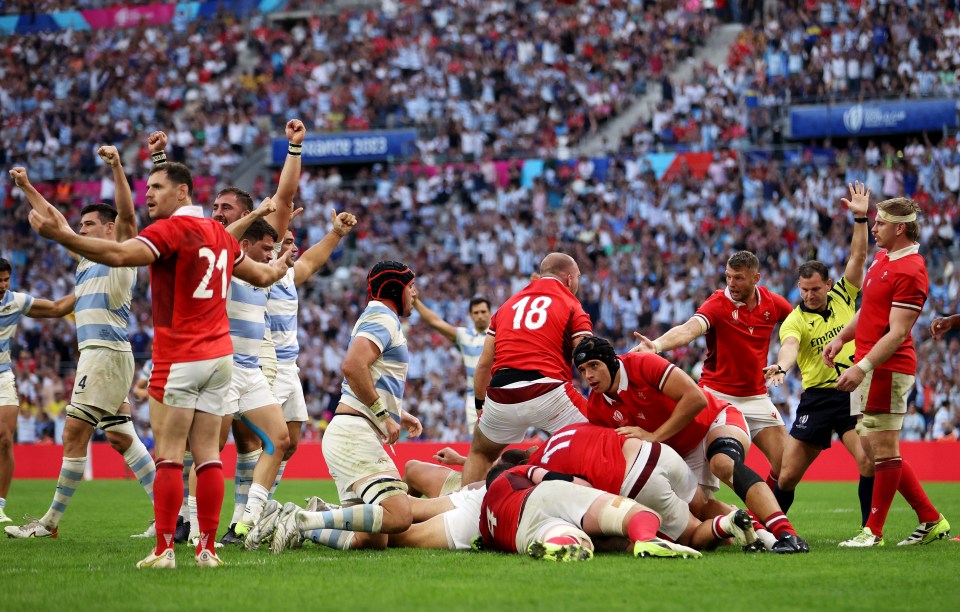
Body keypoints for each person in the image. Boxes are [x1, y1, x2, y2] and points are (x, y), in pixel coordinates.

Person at [27, 160, 293, 569]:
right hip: (220, 356)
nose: (148, 194)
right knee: (208, 457)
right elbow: (260, 276)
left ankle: (165, 549)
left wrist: (62, 236)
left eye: (156, 186)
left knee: (169, 456)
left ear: (182, 192)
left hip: (180, 355)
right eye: (147, 187)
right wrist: (281, 265)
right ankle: (207, 549)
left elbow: (117, 253)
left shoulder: (170, 230)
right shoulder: (219, 235)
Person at [6, 157, 156, 540]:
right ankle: (172, 516)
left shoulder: (123, 252)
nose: (80, 229)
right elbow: (55, 219)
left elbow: (127, 213)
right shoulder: (88, 259)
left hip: (104, 354)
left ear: (109, 229)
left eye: (89, 225)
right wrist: (26, 188)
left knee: (74, 434)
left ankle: (49, 524)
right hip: (103, 355)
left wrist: (118, 167)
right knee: (122, 436)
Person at [575, 336, 809, 553]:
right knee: (700, 508)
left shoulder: (643, 364)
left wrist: (654, 435)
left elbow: (695, 399)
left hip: (713, 420)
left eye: (594, 365)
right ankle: (757, 531)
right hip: (680, 451)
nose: (589, 375)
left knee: (723, 463)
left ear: (612, 362)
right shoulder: (596, 407)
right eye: (582, 370)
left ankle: (787, 534)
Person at [266, 261, 423, 554]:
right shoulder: (383, 316)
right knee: (400, 515)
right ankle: (304, 520)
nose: (414, 294)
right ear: (395, 287)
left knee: (370, 540)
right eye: (410, 287)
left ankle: (289, 520)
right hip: (355, 433)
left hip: (348, 431)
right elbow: (352, 366)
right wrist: (382, 415)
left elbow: (368, 376)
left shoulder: (380, 317)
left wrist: (397, 413)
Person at [824, 197, 951, 548]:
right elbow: (868, 310)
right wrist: (840, 339)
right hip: (870, 366)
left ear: (900, 227)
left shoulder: (911, 269)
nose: (874, 228)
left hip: (887, 369)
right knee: (876, 449)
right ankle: (930, 519)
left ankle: (873, 532)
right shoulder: (884, 258)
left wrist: (863, 366)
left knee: (883, 450)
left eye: (879, 223)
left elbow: (896, 333)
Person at [633, 251, 794, 491]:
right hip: (716, 398)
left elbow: (796, 332)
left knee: (786, 468)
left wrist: (785, 363)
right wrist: (656, 345)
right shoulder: (718, 304)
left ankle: (768, 521)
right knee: (706, 482)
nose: (731, 283)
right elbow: (689, 330)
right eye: (728, 277)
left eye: (738, 278)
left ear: (756, 278)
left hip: (757, 398)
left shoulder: (774, 304)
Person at [763, 182, 874, 524]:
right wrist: (780, 368)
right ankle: (770, 527)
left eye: (815, 289)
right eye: (804, 289)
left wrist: (860, 219)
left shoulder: (843, 295)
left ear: (828, 285)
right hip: (817, 398)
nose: (810, 295)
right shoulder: (795, 320)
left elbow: (857, 258)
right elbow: (790, 348)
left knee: (868, 461)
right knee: (787, 476)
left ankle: (870, 529)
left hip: (852, 391)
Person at [460, 253, 592, 485]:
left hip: (502, 394)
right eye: (578, 278)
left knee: (480, 453)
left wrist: (481, 406)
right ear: (569, 279)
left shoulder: (506, 306)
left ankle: (465, 510)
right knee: (599, 436)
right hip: (548, 390)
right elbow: (587, 355)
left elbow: (483, 365)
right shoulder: (572, 304)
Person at [478, 462, 702, 561]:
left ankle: (559, 544)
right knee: (631, 512)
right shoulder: (511, 474)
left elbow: (481, 542)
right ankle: (646, 538)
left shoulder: (484, 522)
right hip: (539, 496)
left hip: (521, 535)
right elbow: (551, 479)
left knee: (575, 541)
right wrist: (587, 490)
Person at [0, 257, 75, 524]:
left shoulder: (15, 301)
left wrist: (87, 288)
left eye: (6, 279)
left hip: (3, 375)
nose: (2, 284)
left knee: (5, 438)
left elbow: (55, 308)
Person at [414, 295, 492, 436]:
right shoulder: (464, 335)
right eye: (476, 313)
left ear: (490, 313)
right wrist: (415, 302)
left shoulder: (498, 335)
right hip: (474, 401)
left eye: (483, 312)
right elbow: (435, 322)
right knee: (478, 446)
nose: (480, 316)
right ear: (470, 315)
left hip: (496, 397)